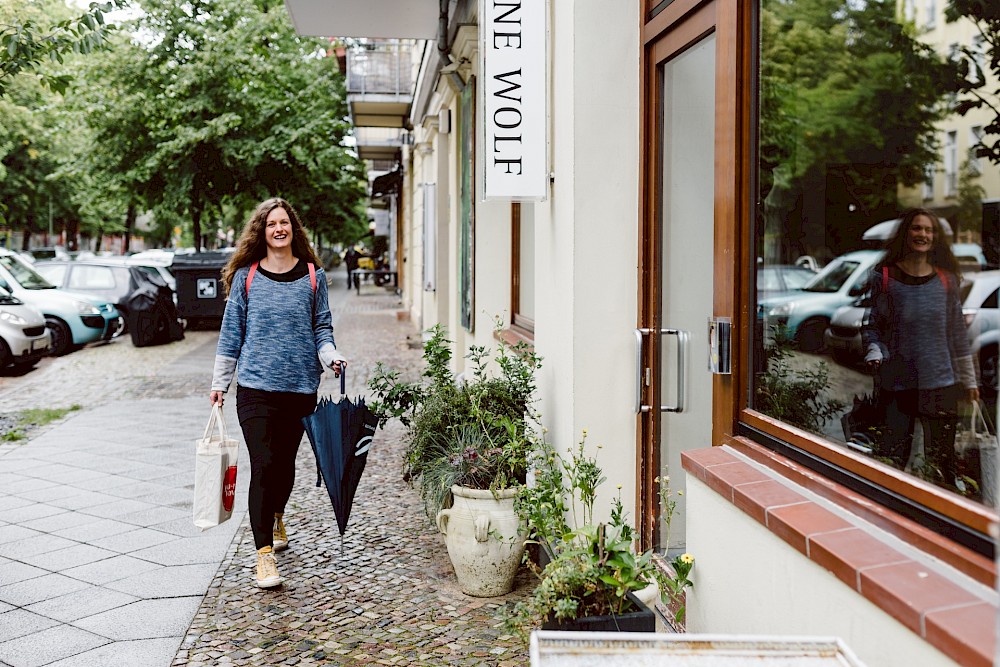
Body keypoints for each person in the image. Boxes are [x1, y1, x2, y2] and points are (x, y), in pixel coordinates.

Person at [209, 197, 346, 589]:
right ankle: (263, 555)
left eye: (284, 222)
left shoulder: (313, 275)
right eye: (271, 224)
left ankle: (276, 514)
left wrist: (331, 356)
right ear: (262, 231)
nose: (279, 229)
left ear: (293, 229)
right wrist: (220, 383)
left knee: (285, 468)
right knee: (264, 465)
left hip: (300, 388)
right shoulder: (246, 278)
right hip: (255, 388)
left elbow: (322, 328)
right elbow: (231, 333)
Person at [862, 207, 978, 490]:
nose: (923, 234)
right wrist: (874, 351)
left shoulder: (946, 280)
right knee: (892, 463)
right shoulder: (885, 278)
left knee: (942, 466)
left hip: (941, 385)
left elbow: (957, 335)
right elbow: (872, 326)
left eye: (929, 230)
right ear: (906, 233)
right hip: (898, 386)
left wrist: (970, 381)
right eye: (917, 228)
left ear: (935, 238)